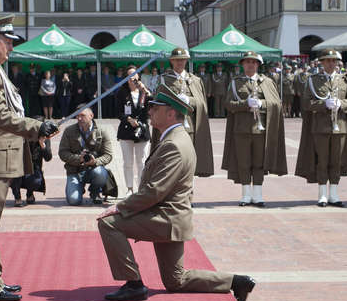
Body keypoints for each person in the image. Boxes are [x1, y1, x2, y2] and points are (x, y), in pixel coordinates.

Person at [97, 84, 256, 301]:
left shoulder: (174, 144)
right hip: (171, 217)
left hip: (165, 217)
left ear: (171, 113)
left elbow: (155, 191)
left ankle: (133, 285)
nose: (150, 111)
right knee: (175, 280)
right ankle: (236, 281)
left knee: (109, 223)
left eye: (155, 108)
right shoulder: (173, 138)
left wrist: (120, 207)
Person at [0, 15, 58, 301]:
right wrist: (35, 127)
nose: (11, 48)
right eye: (8, 42)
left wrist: (36, 124)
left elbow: (5, 113)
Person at [295, 50, 347, 207]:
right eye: (327, 61)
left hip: (340, 127)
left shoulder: (344, 80)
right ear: (322, 62)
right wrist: (323, 104)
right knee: (323, 161)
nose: (331, 63)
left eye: (334, 61)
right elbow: (305, 103)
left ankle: (334, 194)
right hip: (321, 127)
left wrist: (342, 104)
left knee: (336, 161)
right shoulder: (313, 80)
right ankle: (322, 194)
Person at [222, 51, 287, 206]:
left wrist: (262, 104)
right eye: (247, 62)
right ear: (243, 65)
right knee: (243, 162)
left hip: (261, 130)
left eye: (253, 62)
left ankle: (257, 195)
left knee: (259, 162)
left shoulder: (267, 82)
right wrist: (245, 104)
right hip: (242, 129)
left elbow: (276, 103)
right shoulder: (235, 82)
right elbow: (228, 104)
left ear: (258, 64)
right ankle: (245, 195)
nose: (250, 64)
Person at [158, 48, 214, 177]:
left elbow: (201, 103)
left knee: (189, 160)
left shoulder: (195, 80)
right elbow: (159, 102)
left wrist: (189, 100)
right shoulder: (164, 79)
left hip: (189, 127)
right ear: (171, 61)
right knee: (172, 160)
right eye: (177, 60)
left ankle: (188, 189)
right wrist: (174, 101)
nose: (180, 62)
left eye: (182, 60)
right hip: (171, 127)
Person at [58, 106, 113, 205]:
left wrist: (95, 161)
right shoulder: (69, 131)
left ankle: (95, 191)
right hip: (75, 170)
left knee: (100, 173)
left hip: (93, 168)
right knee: (74, 201)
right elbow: (62, 152)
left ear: (91, 116)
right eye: (77, 116)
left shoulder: (102, 131)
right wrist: (79, 158)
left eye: (82, 115)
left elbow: (108, 155)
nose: (79, 118)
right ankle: (79, 188)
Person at [116, 66, 151, 195]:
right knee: (128, 162)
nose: (132, 78)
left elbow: (153, 105)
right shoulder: (121, 92)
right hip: (126, 130)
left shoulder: (144, 92)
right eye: (129, 76)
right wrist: (128, 119)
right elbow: (118, 112)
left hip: (142, 130)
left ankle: (141, 188)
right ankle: (130, 188)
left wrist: (145, 89)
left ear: (139, 77)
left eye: (134, 75)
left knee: (142, 162)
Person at [11, 118, 52, 207]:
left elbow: (48, 158)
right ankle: (17, 197)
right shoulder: (22, 135)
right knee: (15, 176)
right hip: (18, 165)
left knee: (36, 180)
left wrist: (42, 145)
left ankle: (30, 193)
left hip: (34, 168)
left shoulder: (44, 137)